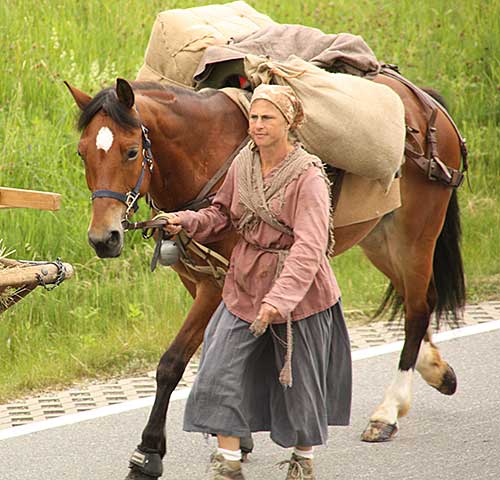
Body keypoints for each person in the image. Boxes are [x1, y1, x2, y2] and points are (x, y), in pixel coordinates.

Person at [164, 84, 352, 480]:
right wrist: (186, 220)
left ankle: (303, 459)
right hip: (245, 285)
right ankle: (228, 464)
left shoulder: (308, 176)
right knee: (218, 370)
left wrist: (280, 300)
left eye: (268, 118)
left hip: (300, 296)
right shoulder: (242, 164)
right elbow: (221, 215)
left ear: (290, 122)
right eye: (253, 117)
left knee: (299, 385)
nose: (258, 125)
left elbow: (311, 246)